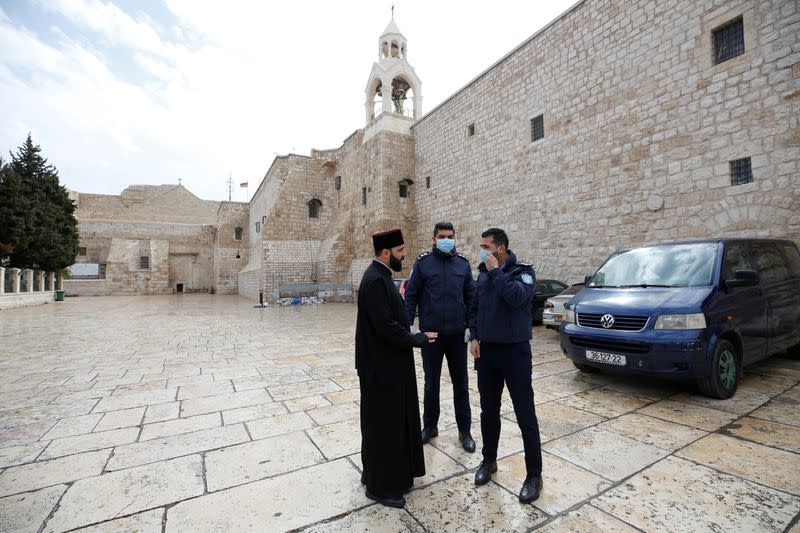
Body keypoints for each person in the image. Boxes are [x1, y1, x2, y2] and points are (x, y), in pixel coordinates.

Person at [355, 228, 438, 509]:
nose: (404, 256)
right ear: (386, 252)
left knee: (382, 424)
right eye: (400, 251)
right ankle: (380, 488)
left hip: (387, 366)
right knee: (384, 426)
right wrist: (416, 339)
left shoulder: (380, 277)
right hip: (381, 369)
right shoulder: (376, 281)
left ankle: (376, 474)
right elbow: (386, 327)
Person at [469, 227, 543, 503]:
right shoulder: (483, 273)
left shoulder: (522, 272)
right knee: (489, 411)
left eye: (487, 246)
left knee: (525, 414)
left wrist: (496, 272)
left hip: (515, 353)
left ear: (501, 248)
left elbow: (516, 298)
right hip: (487, 353)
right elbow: (474, 307)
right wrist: (473, 335)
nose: (483, 250)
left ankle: (534, 475)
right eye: (482, 246)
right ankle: (489, 461)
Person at [404, 222, 476, 452]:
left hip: (456, 336)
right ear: (434, 239)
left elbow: (472, 300)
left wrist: (472, 330)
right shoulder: (423, 263)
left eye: (450, 236)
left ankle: (465, 431)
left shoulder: (463, 265)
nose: (447, 239)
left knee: (461, 384)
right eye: (442, 236)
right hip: (431, 336)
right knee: (431, 383)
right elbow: (411, 296)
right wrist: (407, 327)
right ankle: (430, 426)